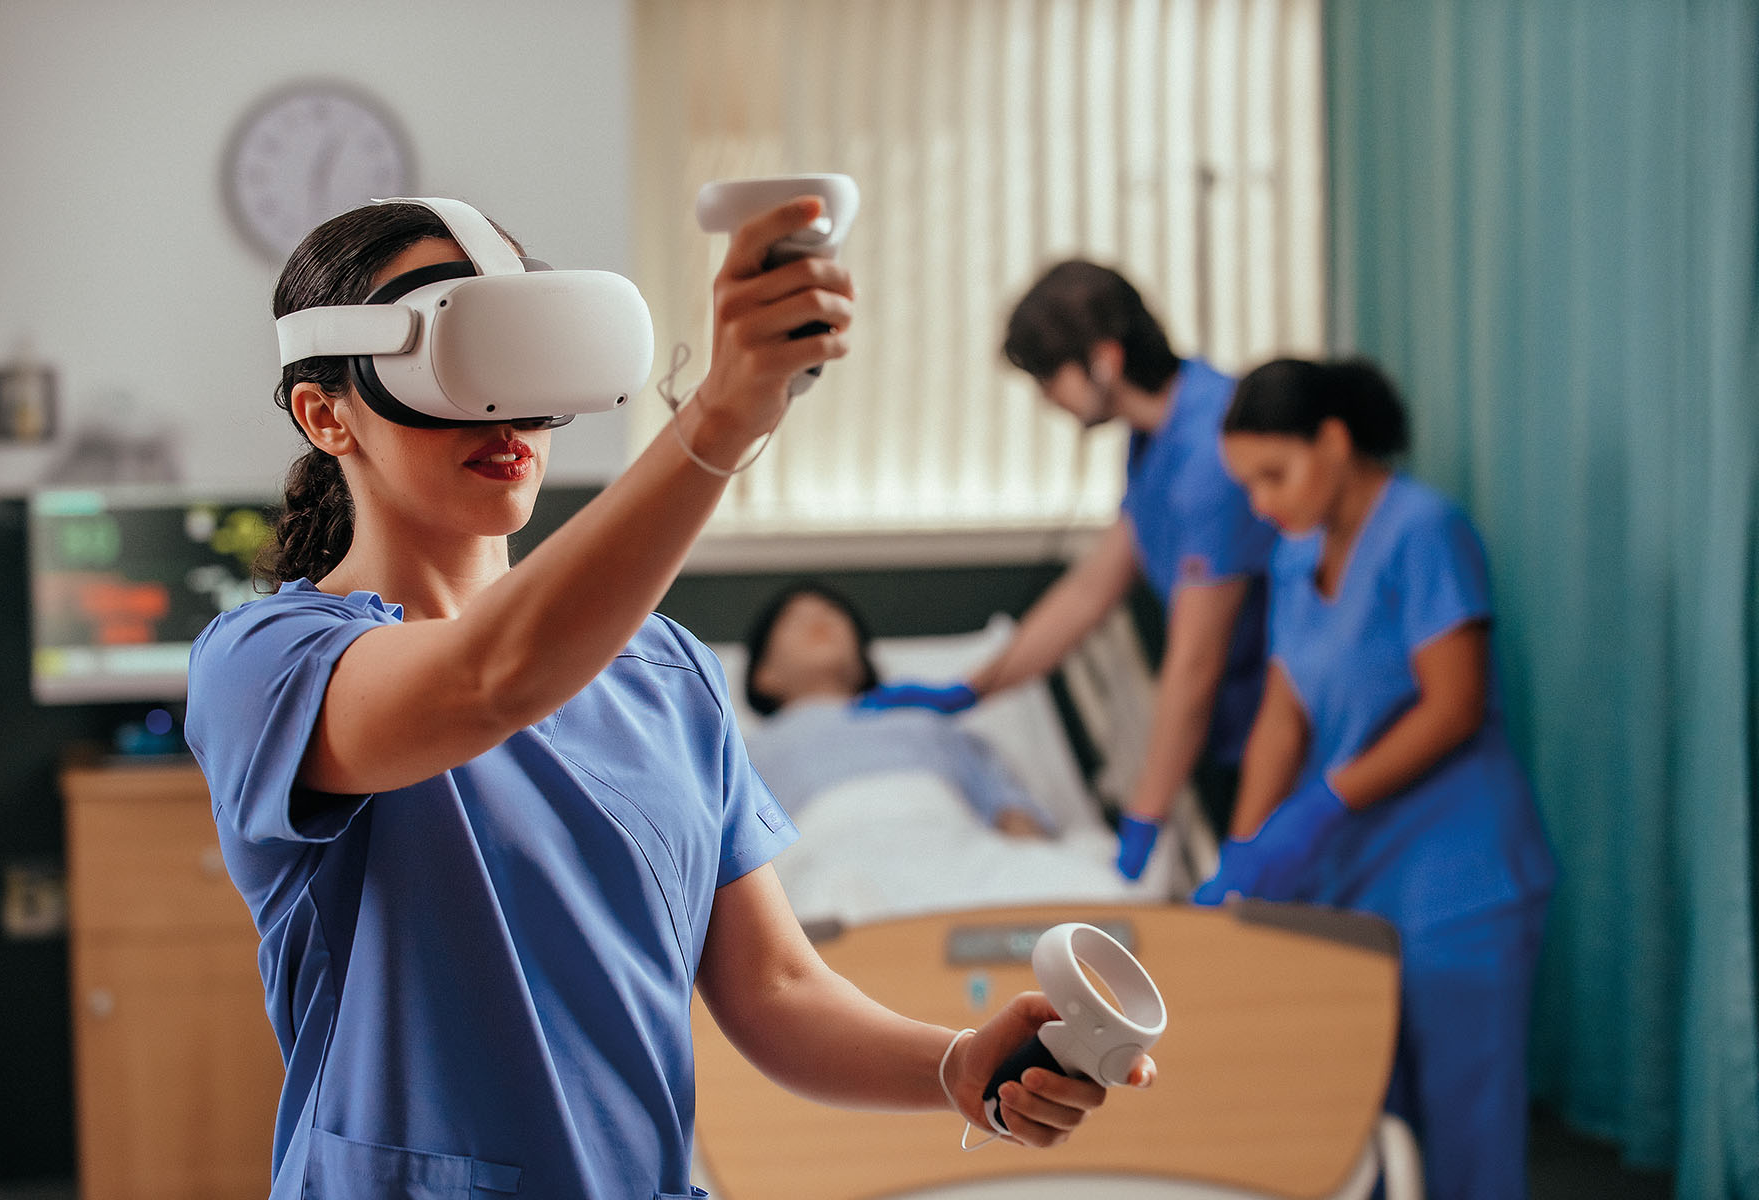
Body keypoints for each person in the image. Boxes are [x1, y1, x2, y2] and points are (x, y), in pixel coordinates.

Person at [185, 197, 1154, 1200]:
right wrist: (722, 419)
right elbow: (489, 680)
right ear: (326, 412)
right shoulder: (266, 665)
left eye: (525, 361)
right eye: (456, 366)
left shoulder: (665, 674)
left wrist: (954, 1065)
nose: (503, 413)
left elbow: (775, 989)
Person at [1195, 357, 1557, 1200]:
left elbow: (1456, 705)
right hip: (1357, 873)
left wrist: (1320, 806)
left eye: (1274, 476)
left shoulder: (1424, 531)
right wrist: (1247, 852)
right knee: (1363, 1120)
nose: (1263, 504)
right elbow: (1282, 718)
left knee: (1465, 1133)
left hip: (1459, 875)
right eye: (1248, 486)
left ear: (1334, 441)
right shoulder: (1297, 555)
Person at [861, 260, 1275, 883]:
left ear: (1103, 361)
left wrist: (1144, 821)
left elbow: (1195, 664)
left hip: (1279, 731)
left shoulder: (1209, 452)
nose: (1047, 400)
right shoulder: (1157, 436)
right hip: (1239, 729)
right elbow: (1090, 591)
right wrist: (973, 686)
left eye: (1047, 378)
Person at [742, 582, 1056, 838]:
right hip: (822, 860)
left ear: (864, 661)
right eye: (793, 617)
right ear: (763, 677)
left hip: (955, 844)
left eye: (833, 612)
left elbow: (1014, 816)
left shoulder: (929, 724)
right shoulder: (740, 756)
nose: (818, 617)